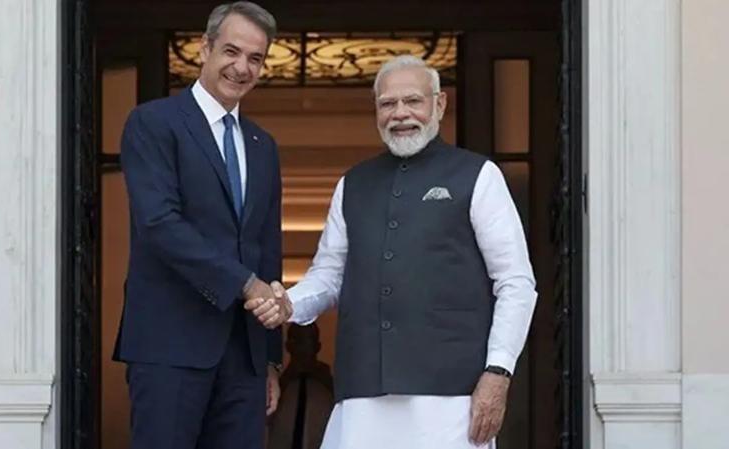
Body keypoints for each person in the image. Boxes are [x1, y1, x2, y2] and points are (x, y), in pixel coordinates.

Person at [248, 55, 538, 448]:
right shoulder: (353, 183)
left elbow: (516, 282)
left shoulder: (478, 176)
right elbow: (329, 276)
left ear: (439, 104)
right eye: (388, 103)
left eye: (413, 101)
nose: (400, 113)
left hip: (451, 396)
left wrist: (498, 372)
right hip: (362, 394)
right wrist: (288, 304)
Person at [113, 2, 291, 448]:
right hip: (169, 347)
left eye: (255, 58)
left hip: (245, 358)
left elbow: (267, 247)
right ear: (204, 49)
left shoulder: (263, 145)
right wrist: (246, 285)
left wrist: (270, 358)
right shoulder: (153, 123)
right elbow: (159, 224)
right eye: (231, 51)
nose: (242, 67)